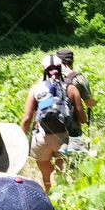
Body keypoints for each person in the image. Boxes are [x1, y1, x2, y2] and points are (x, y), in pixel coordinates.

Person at [21, 54, 86, 192]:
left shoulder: (35, 89)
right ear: (61, 68)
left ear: (44, 70)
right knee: (61, 175)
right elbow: (82, 119)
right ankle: (62, 202)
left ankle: (49, 198)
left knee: (46, 176)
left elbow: (26, 118)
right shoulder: (71, 88)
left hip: (41, 138)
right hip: (63, 137)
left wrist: (21, 138)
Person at [56, 48, 96, 129]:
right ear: (72, 61)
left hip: (48, 128)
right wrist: (94, 102)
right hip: (71, 127)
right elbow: (89, 103)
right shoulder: (78, 78)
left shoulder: (45, 78)